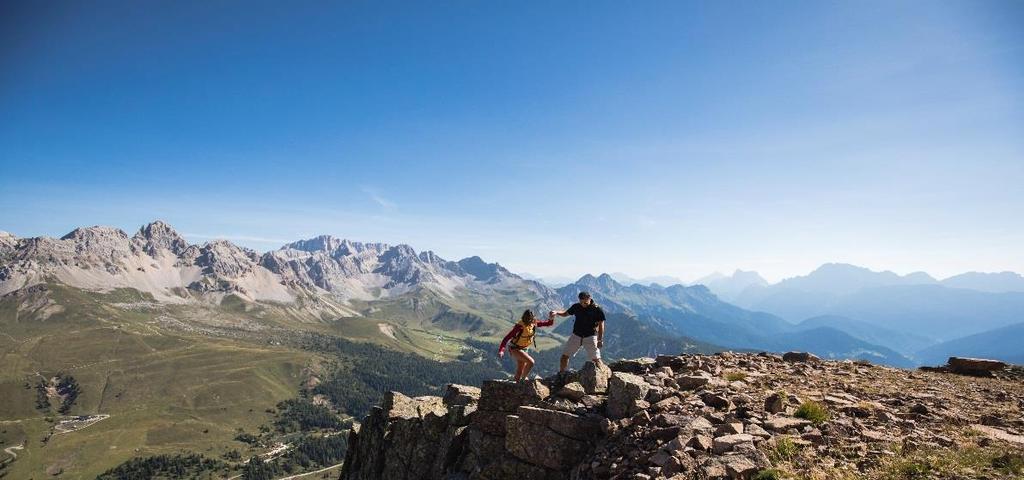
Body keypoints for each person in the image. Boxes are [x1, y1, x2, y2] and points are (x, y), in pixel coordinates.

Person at [550, 291, 605, 372]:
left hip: (591, 336)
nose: (583, 304)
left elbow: (601, 325)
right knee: (564, 357)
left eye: (585, 302)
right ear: (579, 300)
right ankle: (561, 375)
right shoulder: (576, 306)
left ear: (589, 299)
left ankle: (603, 374)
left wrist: (600, 340)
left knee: (596, 359)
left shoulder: (597, 309)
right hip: (576, 336)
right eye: (581, 302)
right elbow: (565, 313)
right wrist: (557, 312)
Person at [498, 309, 555, 382]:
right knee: (531, 362)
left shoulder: (533, 323)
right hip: (515, 348)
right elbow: (506, 338)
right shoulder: (519, 326)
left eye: (531, 319)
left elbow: (548, 324)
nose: (530, 321)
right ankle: (523, 380)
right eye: (528, 319)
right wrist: (501, 351)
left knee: (520, 371)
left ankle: (516, 387)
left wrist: (551, 317)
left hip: (524, 349)